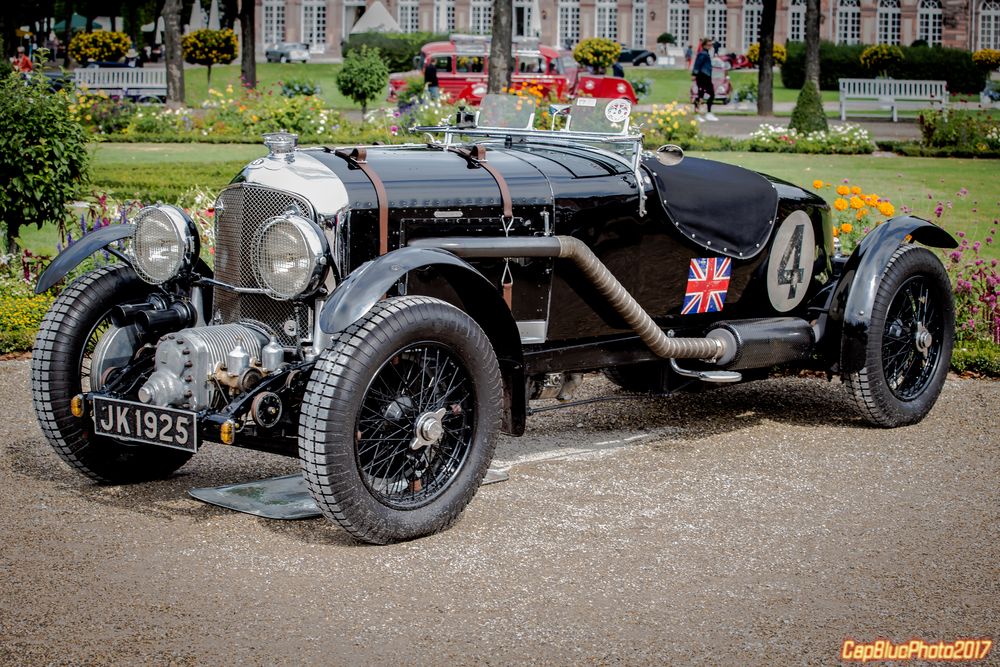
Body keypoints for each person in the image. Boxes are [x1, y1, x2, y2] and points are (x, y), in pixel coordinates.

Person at [692, 37, 718, 121]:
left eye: (711, 45)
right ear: (704, 45)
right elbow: (697, 65)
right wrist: (694, 74)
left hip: (706, 76)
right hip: (702, 76)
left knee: (709, 94)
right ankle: (697, 114)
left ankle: (708, 113)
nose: (710, 46)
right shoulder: (702, 54)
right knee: (701, 95)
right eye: (708, 45)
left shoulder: (706, 54)